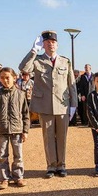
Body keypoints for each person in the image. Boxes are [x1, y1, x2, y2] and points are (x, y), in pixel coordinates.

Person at [19, 30, 77, 178]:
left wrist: (73, 104)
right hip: (45, 104)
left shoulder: (65, 61)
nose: (51, 44)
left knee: (62, 136)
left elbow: (71, 84)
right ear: (43, 45)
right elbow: (24, 68)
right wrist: (33, 51)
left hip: (62, 104)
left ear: (57, 45)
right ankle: (51, 166)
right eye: (47, 42)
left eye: (53, 42)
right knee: (48, 136)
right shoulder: (37, 60)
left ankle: (62, 165)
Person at [0, 67, 30, 190]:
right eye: (2, 78)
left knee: (18, 155)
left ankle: (18, 177)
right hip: (1, 129)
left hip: (17, 129)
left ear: (14, 78)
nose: (5, 80)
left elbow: (25, 114)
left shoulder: (21, 94)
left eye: (7, 78)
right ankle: (4, 178)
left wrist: (25, 130)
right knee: (2, 156)